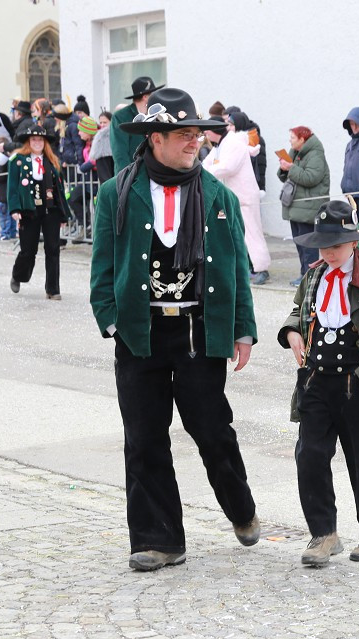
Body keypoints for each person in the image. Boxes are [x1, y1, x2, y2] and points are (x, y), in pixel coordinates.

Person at [89, 87, 260, 572]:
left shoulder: (218, 196)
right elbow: (103, 265)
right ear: (156, 138)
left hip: (197, 332)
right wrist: (110, 319)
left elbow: (235, 271)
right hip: (140, 334)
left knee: (211, 430)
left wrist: (243, 330)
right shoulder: (116, 192)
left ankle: (240, 507)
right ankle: (157, 538)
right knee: (143, 436)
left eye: (198, 136)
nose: (195, 144)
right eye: (185, 135)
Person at [279, 200, 359, 567]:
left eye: (336, 245)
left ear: (354, 243)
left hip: (354, 382)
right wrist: (292, 331)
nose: (329, 252)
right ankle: (324, 532)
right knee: (309, 455)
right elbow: (298, 310)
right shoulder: (314, 274)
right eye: (324, 245)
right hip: (314, 378)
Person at [203, 110, 269, 284]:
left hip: (245, 197)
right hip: (233, 197)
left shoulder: (233, 143)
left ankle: (261, 268)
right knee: (238, 235)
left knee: (252, 233)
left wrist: (207, 172)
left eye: (207, 131)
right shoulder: (220, 145)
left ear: (213, 131)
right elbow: (207, 164)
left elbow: (228, 167)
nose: (205, 134)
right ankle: (247, 266)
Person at [8, 124, 71, 300]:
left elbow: (59, 189)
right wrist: (14, 209)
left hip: (50, 210)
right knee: (28, 250)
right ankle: (18, 275)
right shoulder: (18, 160)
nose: (37, 142)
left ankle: (53, 289)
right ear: (29, 141)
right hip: (29, 210)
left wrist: (63, 213)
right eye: (34, 139)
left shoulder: (52, 161)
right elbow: (12, 188)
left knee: (53, 248)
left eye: (40, 140)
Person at [278, 125, 330, 279]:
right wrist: (284, 168)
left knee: (309, 246)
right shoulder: (295, 152)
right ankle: (304, 274)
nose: (290, 141)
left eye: (293, 138)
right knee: (300, 243)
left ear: (302, 139)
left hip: (309, 207)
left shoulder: (315, 154)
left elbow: (310, 178)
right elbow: (286, 176)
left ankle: (311, 276)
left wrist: (291, 168)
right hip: (296, 207)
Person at [110, 76, 164, 172]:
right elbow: (120, 153)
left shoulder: (157, 115)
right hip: (132, 175)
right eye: (153, 94)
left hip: (155, 174)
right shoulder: (121, 117)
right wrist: (126, 178)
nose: (157, 98)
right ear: (145, 97)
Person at [0, 136, 16, 242]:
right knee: (10, 214)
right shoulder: (11, 159)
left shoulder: (3, 160)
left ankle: (5, 233)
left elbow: (0, 176)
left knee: (4, 216)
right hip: (7, 192)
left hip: (2, 193)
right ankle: (12, 232)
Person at [91, 111, 115, 184]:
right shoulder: (115, 134)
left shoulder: (101, 136)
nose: (102, 125)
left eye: (105, 122)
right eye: (100, 122)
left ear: (111, 122)